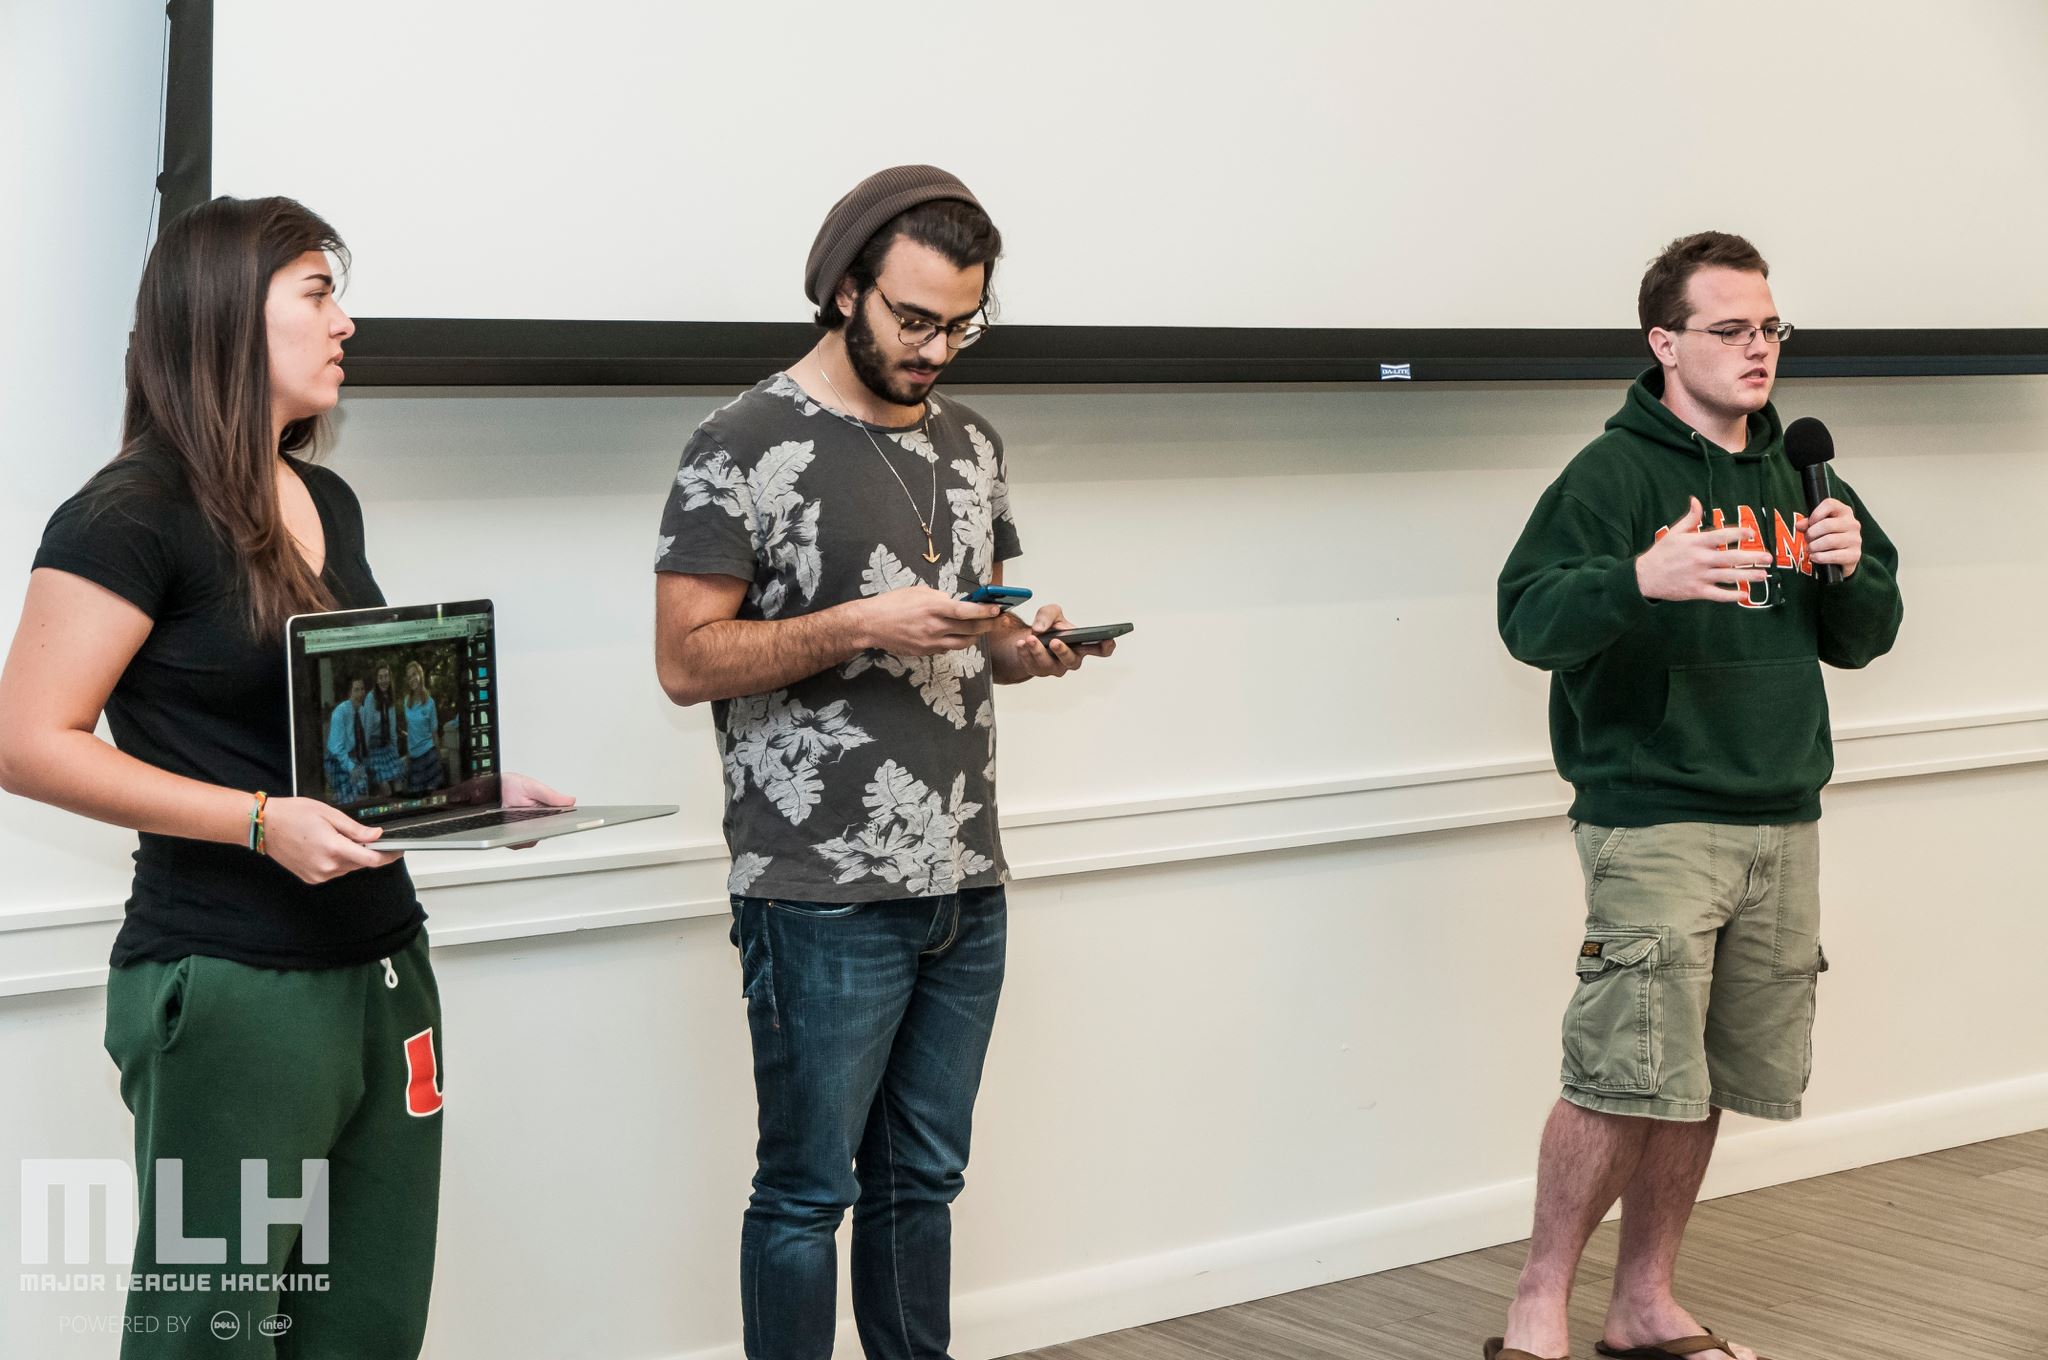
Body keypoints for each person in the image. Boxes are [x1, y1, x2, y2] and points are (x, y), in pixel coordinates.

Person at [0, 195, 572, 1359]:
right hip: (232, 985)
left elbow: (320, 729)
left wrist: (459, 787)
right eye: (316, 294)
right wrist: (259, 824)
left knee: (363, 1323)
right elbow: (26, 739)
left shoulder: (326, 497)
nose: (345, 321)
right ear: (220, 319)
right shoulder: (126, 515)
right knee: (204, 1334)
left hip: (381, 963)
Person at [653, 165, 1118, 1360]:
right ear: (843, 288)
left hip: (963, 877)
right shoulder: (739, 442)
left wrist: (1023, 642)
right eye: (913, 319)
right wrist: (863, 620)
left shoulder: (971, 441)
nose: (936, 349)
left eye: (961, 323)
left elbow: (980, 637)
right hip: (817, 892)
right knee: (808, 1193)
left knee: (924, 1182)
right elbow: (685, 659)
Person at [1487, 232, 1903, 1360]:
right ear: (1662, 343)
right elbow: (1526, 619)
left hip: (1780, 814)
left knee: (1700, 1077)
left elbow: (1863, 639)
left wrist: (1850, 566)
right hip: (1655, 813)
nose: (1756, 349)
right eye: (1728, 329)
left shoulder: (1800, 472)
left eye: (1768, 327)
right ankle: (1536, 1308)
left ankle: (1642, 1304)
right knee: (1622, 1073)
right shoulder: (1609, 476)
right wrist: (1637, 576)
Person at [325, 673, 370, 803]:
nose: (361, 693)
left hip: (351, 755)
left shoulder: (362, 711)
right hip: (336, 759)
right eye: (356, 690)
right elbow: (337, 749)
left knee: (363, 788)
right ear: (349, 693)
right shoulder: (340, 713)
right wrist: (352, 768)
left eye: (362, 689)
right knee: (348, 800)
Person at [362, 661, 402, 795]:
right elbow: (367, 727)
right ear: (376, 680)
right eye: (381, 677)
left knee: (398, 781)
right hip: (373, 747)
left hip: (386, 745)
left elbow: (392, 726)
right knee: (385, 785)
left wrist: (395, 750)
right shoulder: (370, 698)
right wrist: (364, 753)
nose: (384, 680)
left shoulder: (389, 696)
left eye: (386, 676)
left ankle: (402, 812)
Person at [401, 659, 440, 793]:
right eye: (409, 676)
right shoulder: (406, 702)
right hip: (414, 757)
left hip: (429, 754)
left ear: (420, 675)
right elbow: (409, 731)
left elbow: (435, 733)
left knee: (432, 798)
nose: (412, 678)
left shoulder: (430, 703)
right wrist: (408, 755)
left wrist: (438, 759)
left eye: (414, 674)